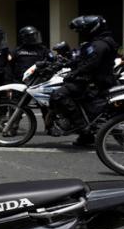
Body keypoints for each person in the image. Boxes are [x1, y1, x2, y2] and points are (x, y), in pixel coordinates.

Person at [50, 15, 117, 146]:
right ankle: (86, 136)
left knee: (59, 95)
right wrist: (65, 64)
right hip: (94, 79)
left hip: (96, 82)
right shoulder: (98, 42)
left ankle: (82, 127)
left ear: (92, 29)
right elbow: (82, 60)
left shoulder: (100, 44)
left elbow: (92, 64)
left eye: (82, 30)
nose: (80, 33)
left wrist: (74, 73)